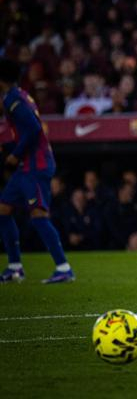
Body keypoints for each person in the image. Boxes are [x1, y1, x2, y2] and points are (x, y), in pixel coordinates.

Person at [0, 58, 74, 283]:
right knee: (3, 210)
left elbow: (33, 129)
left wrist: (15, 153)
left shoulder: (13, 99)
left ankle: (63, 268)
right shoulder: (20, 95)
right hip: (27, 166)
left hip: (36, 165)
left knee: (38, 215)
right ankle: (15, 267)